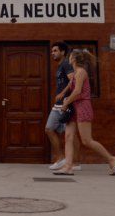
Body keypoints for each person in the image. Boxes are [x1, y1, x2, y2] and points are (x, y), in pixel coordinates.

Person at [53, 49, 115, 176]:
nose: (68, 58)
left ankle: (112, 159)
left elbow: (78, 91)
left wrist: (66, 103)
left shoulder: (81, 72)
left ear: (73, 59)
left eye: (70, 56)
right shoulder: (75, 73)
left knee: (86, 140)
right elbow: (70, 87)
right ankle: (68, 167)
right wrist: (65, 97)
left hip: (83, 107)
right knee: (68, 137)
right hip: (73, 108)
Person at [44, 41, 81, 171]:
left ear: (63, 52)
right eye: (52, 51)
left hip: (67, 103)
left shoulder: (66, 64)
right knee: (49, 129)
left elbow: (73, 80)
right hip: (59, 104)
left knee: (70, 134)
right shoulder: (60, 66)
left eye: (55, 51)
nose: (53, 53)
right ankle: (61, 159)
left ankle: (75, 162)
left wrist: (63, 94)